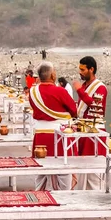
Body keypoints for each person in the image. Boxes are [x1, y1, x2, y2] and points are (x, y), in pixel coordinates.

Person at [29, 62, 77, 190]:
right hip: (59, 135)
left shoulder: (33, 91)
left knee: (41, 168)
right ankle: (66, 196)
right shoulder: (60, 91)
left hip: (40, 136)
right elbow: (73, 110)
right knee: (63, 167)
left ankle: (39, 194)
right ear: (53, 74)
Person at [72, 56, 108, 190]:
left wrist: (79, 91)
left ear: (91, 69)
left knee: (93, 167)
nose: (80, 72)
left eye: (83, 69)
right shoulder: (84, 86)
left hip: (95, 131)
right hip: (83, 129)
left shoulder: (100, 87)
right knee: (81, 164)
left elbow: (95, 106)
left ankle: (96, 195)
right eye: (79, 69)